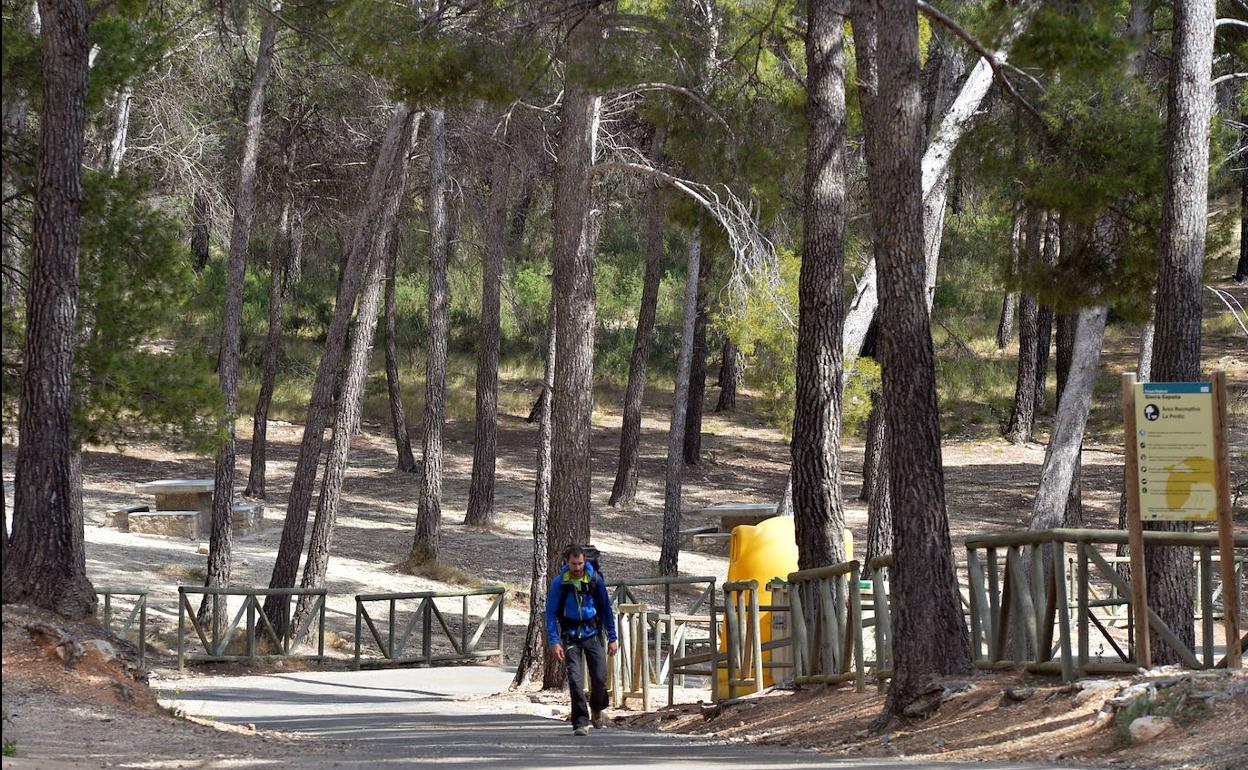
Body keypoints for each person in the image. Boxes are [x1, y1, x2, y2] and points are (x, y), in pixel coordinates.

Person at [545, 544, 618, 736]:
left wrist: (613, 637)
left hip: (593, 633)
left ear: (584, 561)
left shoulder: (594, 579)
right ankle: (580, 722)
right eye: (573, 564)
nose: (577, 567)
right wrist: (554, 640)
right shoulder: (559, 583)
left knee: (600, 678)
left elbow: (606, 609)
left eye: (580, 563)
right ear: (567, 563)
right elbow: (550, 613)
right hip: (570, 636)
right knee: (575, 680)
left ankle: (596, 708)